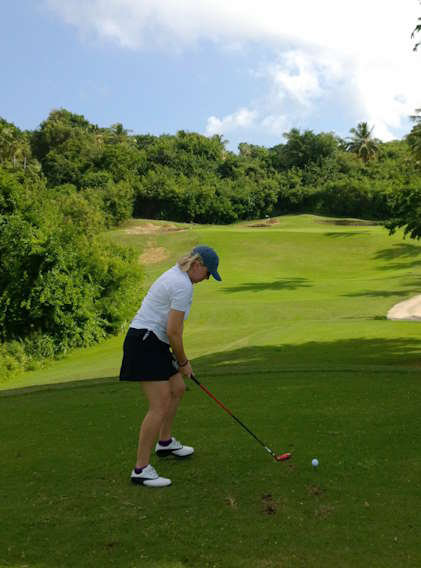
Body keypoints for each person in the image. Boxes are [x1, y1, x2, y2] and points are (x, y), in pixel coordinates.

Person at [119, 245, 222, 487]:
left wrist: (177, 362)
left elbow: (170, 332)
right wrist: (184, 362)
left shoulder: (177, 275)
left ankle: (164, 443)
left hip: (152, 341)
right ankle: (141, 469)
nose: (206, 279)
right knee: (160, 403)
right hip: (145, 342)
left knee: (177, 388)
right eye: (208, 274)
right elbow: (173, 331)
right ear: (197, 265)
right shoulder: (182, 285)